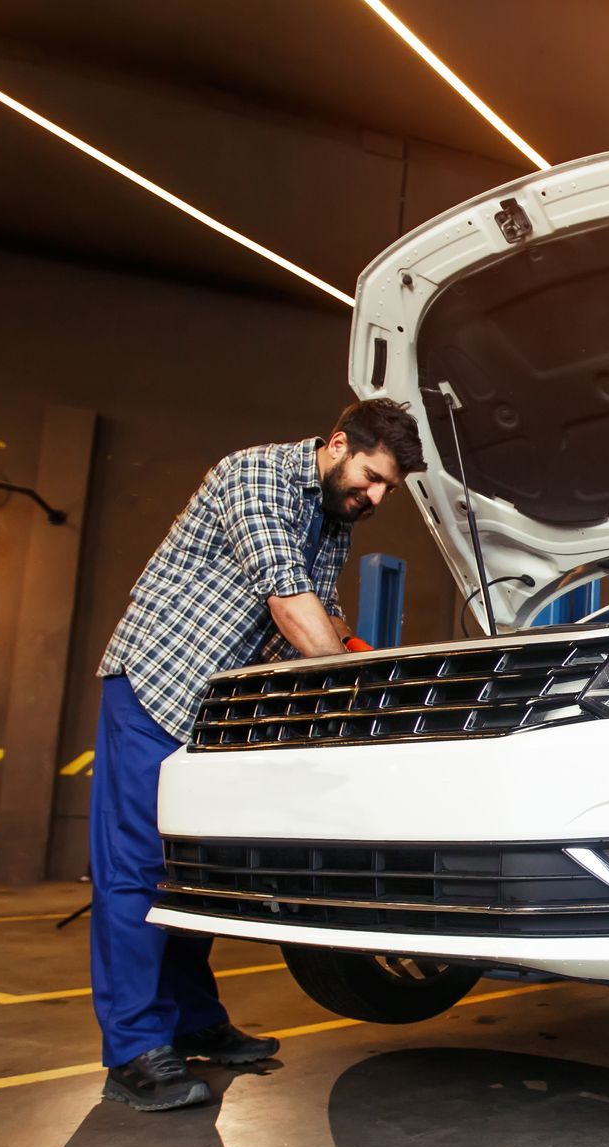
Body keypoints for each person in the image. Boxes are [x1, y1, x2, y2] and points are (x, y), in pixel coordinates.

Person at [89, 399, 426, 1111]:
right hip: (157, 683)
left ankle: (194, 1024)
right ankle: (133, 1053)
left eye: (387, 491)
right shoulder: (257, 477)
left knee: (194, 873)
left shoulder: (333, 516)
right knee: (136, 872)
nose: (373, 498)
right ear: (337, 444)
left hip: (218, 711)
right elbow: (287, 601)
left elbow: (322, 613)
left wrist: (360, 652)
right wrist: (357, 693)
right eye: (369, 478)